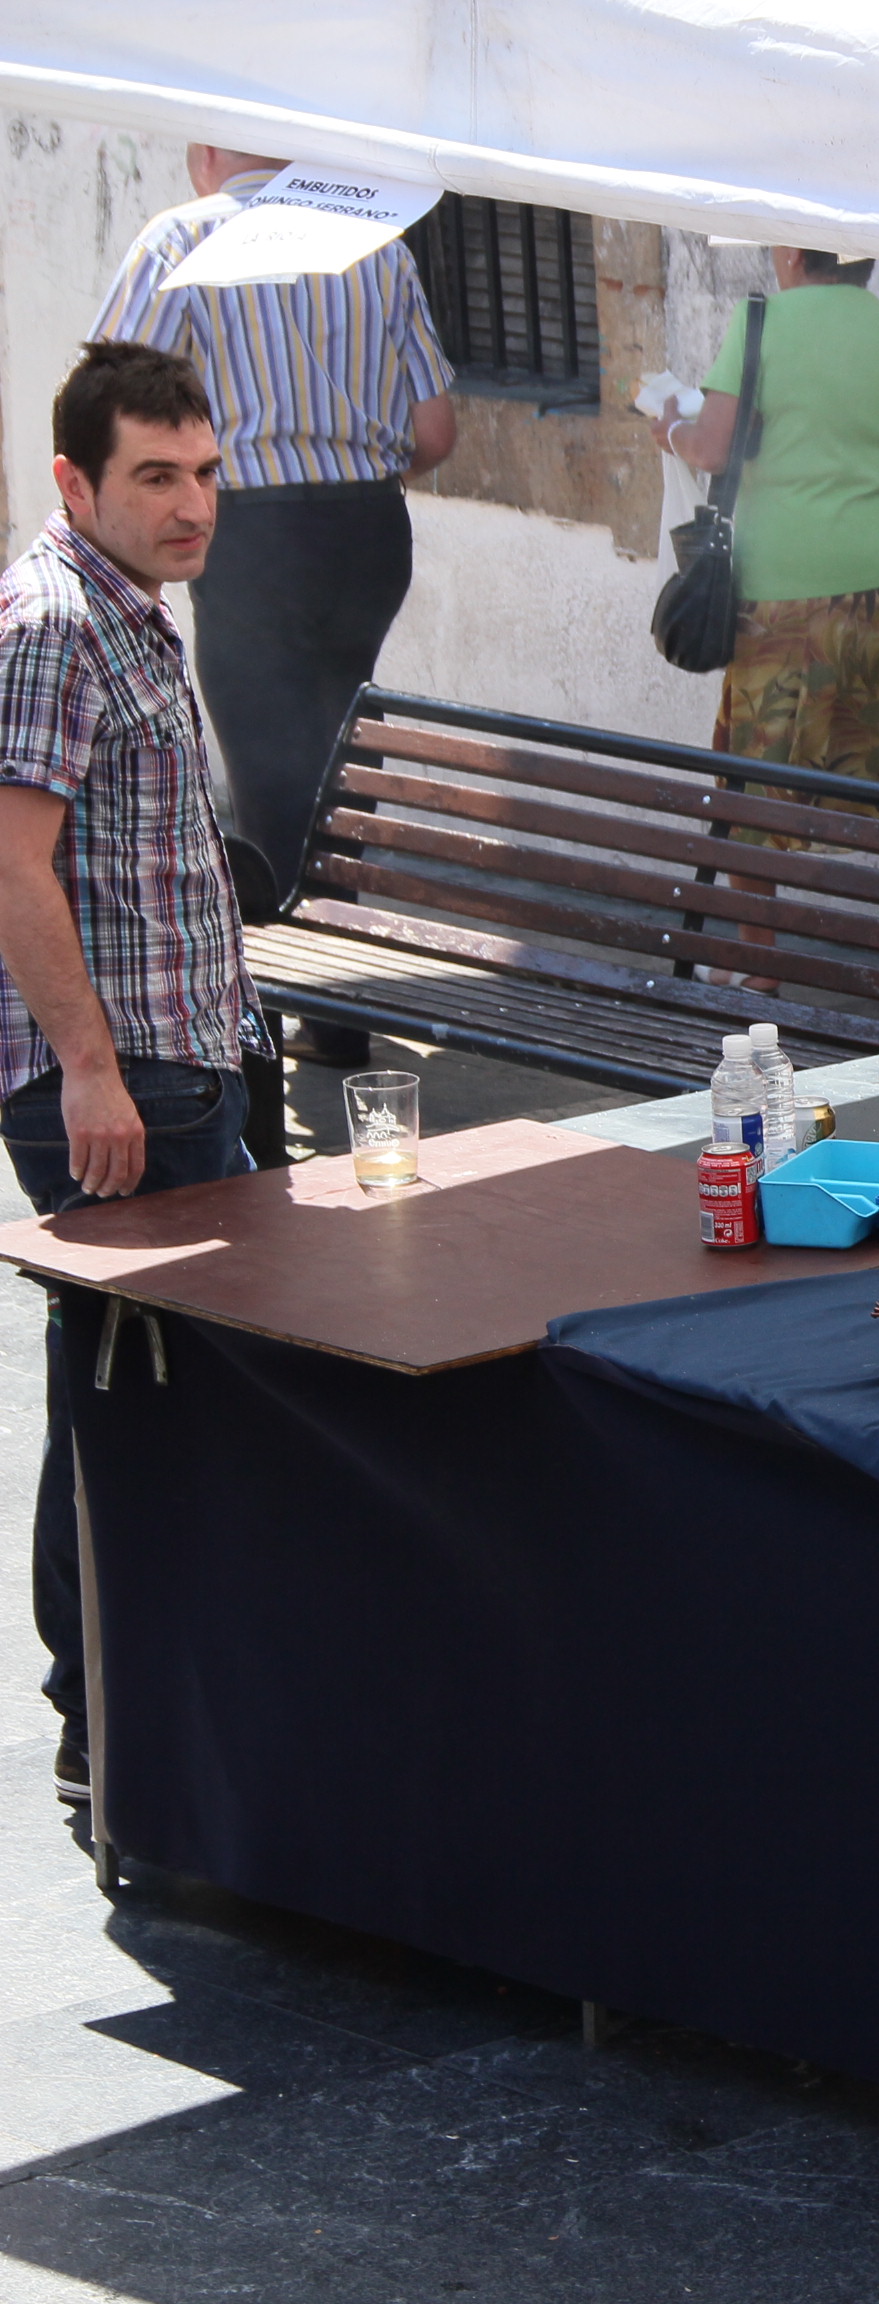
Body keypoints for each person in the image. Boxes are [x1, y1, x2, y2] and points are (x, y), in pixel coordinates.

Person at [0, 343, 268, 1808]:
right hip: (125, 1086)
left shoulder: (131, 606)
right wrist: (89, 1073)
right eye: (156, 476)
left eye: (206, 473)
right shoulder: (55, 621)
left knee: (144, 1386)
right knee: (139, 1395)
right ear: (74, 481)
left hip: (182, 1062)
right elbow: (12, 867)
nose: (192, 505)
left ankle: (129, 1710)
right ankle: (110, 1719)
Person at [92, 145, 457, 936]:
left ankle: (295, 959)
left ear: (206, 155)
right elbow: (435, 433)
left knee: (268, 759)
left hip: (252, 528)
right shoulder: (379, 247)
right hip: (369, 524)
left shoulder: (181, 240)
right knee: (340, 736)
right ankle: (340, 938)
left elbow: (108, 411)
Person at [654, 246, 879, 993]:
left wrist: (670, 431)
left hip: (786, 590)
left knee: (754, 771)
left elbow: (713, 447)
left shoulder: (762, 322)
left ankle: (758, 959)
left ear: (790, 251)